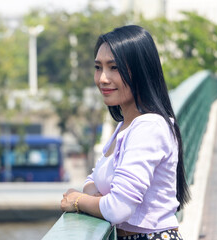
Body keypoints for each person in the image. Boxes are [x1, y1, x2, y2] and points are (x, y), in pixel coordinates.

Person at [60, 25, 190, 240]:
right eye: (98, 67)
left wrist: (77, 200)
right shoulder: (125, 126)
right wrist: (98, 196)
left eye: (114, 68)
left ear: (141, 70)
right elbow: (94, 178)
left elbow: (119, 208)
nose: (102, 78)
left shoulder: (148, 127)